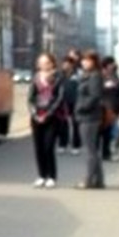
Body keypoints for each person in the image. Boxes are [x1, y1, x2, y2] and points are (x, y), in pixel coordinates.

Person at [26, 52, 63, 188]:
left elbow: (59, 98)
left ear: (52, 63)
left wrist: (48, 114)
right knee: (39, 148)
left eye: (46, 62)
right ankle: (41, 175)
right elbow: (30, 98)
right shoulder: (35, 78)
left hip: (52, 117)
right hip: (37, 117)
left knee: (48, 147)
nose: (43, 65)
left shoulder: (58, 78)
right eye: (41, 62)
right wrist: (35, 114)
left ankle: (52, 176)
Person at [74, 50, 106, 188]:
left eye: (87, 60)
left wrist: (81, 107)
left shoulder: (94, 76)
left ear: (94, 61)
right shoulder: (88, 75)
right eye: (83, 60)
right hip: (88, 116)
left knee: (90, 150)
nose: (84, 62)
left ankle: (88, 180)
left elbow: (94, 96)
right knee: (92, 149)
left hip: (90, 116)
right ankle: (98, 180)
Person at [100, 56, 119, 160]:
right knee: (105, 131)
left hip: (114, 107)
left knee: (109, 131)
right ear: (106, 65)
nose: (114, 65)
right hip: (104, 107)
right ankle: (105, 152)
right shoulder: (101, 76)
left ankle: (107, 152)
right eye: (112, 63)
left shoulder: (115, 75)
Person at [56, 56, 81, 154]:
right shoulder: (60, 76)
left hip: (76, 102)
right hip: (63, 103)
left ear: (72, 65)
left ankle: (76, 146)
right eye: (64, 63)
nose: (65, 66)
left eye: (68, 64)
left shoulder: (78, 75)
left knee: (76, 124)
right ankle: (63, 144)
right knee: (63, 124)